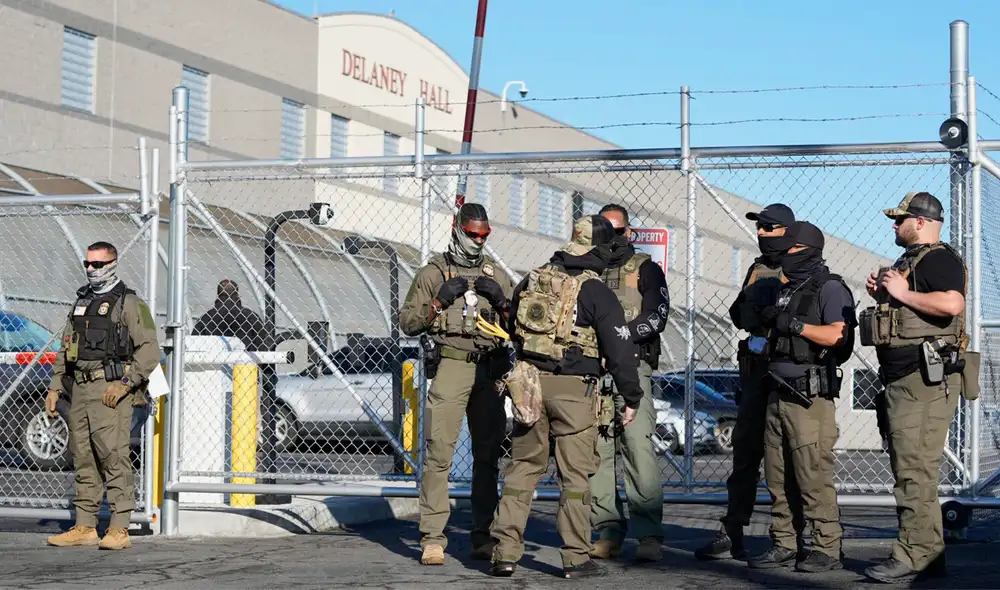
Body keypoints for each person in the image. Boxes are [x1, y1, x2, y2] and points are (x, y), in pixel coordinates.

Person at [488, 215, 644, 580]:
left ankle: (505, 553)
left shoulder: (533, 278)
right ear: (600, 250)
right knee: (575, 478)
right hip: (575, 392)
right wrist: (632, 397)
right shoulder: (596, 290)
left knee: (522, 471)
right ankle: (575, 557)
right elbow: (620, 351)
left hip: (529, 389)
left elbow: (514, 328)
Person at [861, 192, 970, 584]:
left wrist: (903, 293)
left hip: (924, 382)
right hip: (904, 381)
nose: (894, 224)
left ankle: (914, 553)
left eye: (900, 219)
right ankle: (927, 554)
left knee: (914, 471)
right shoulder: (909, 261)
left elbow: (952, 303)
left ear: (920, 222)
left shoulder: (939, 258)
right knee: (912, 469)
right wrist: (884, 295)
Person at [399, 203, 515, 566]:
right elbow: (408, 322)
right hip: (451, 365)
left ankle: (482, 536)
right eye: (473, 234)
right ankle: (433, 537)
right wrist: (438, 301)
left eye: (484, 235)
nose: (478, 241)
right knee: (439, 455)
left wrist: (499, 299)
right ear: (458, 229)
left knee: (488, 457)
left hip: (490, 371)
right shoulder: (434, 272)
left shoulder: (497, 274)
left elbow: (520, 325)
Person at [695, 203, 806, 561]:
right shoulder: (758, 268)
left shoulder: (804, 267)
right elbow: (741, 314)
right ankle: (732, 530)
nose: (761, 233)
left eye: (769, 228)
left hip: (788, 373)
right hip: (756, 370)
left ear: (787, 231)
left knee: (791, 459)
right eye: (759, 227)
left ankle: (794, 535)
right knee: (744, 455)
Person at [745, 221, 856, 573]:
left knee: (813, 476)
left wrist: (794, 326)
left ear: (808, 251)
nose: (785, 256)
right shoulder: (785, 288)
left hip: (809, 398)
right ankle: (784, 543)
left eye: (791, 250)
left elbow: (840, 337)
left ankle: (826, 547)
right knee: (777, 477)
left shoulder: (830, 288)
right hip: (776, 392)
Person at [44, 241, 162, 550]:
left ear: (113, 264)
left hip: (110, 390)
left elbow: (150, 350)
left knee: (113, 456)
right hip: (79, 389)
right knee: (83, 455)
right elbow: (66, 346)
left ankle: (119, 527)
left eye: (97, 264)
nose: (91, 270)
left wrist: (125, 383)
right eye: (88, 264)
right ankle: (85, 525)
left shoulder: (130, 303)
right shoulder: (81, 301)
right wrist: (55, 386)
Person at [587, 204, 670, 563]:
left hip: (633, 368)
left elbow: (657, 316)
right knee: (597, 453)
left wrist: (618, 338)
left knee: (637, 448)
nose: (613, 238)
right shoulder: (586, 270)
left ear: (630, 233)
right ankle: (608, 528)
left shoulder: (646, 269)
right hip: (594, 371)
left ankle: (648, 533)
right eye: (606, 231)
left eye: (618, 231)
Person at [193, 279, 270, 351]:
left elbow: (194, 344)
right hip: (245, 363)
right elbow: (263, 345)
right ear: (237, 294)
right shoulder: (251, 317)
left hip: (215, 362)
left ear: (218, 295)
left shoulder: (206, 318)